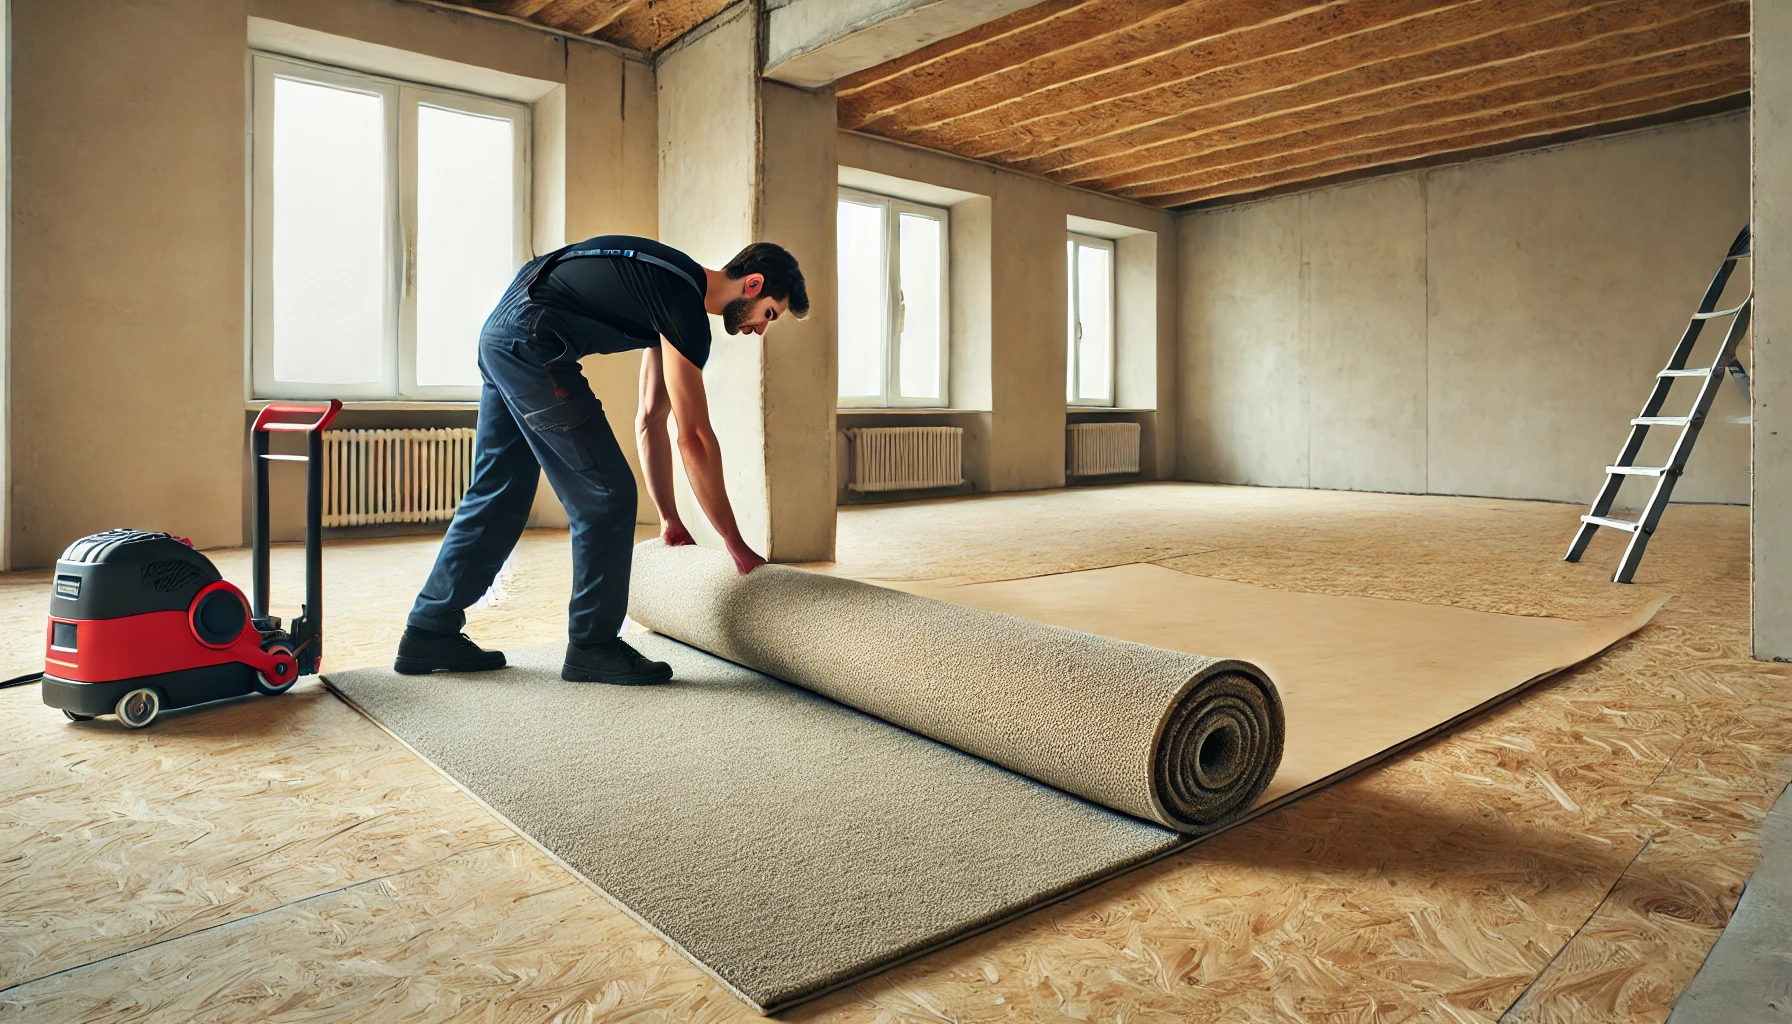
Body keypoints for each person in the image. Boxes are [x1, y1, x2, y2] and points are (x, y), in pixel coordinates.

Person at [394, 235, 808, 685]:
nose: (760, 329)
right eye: (769, 314)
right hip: (533, 341)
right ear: (753, 284)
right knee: (607, 495)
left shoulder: (671, 286)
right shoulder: (683, 304)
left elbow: (651, 418)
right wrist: (735, 543)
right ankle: (593, 646)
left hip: (502, 335)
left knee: (499, 491)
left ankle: (429, 631)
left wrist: (669, 518)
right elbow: (694, 438)